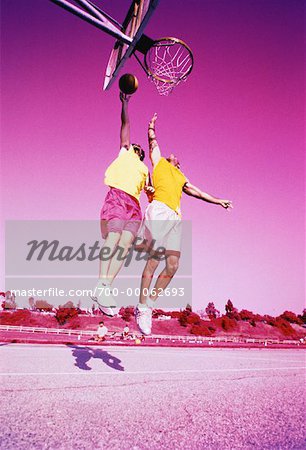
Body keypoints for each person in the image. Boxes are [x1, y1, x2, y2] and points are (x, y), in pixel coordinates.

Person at [135, 113, 233, 335]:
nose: (173, 155)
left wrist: (218, 201)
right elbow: (152, 143)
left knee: (173, 266)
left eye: (176, 157)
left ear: (179, 164)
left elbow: (198, 193)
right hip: (159, 209)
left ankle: (150, 302)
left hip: (175, 218)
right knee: (154, 260)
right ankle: (141, 307)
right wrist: (150, 128)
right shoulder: (158, 162)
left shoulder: (181, 177)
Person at [91, 93, 154, 316]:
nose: (135, 148)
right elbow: (125, 124)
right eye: (134, 146)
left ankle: (106, 288)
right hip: (117, 197)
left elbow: (151, 193)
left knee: (125, 247)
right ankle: (100, 283)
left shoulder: (145, 170)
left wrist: (152, 192)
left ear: (142, 155)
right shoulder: (124, 151)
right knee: (113, 238)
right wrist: (125, 103)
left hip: (134, 207)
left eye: (138, 148)